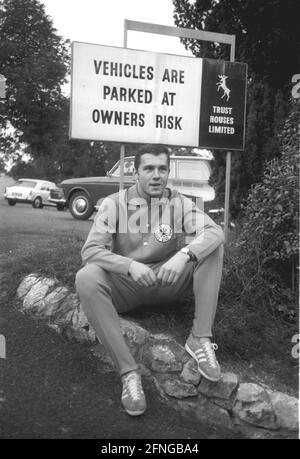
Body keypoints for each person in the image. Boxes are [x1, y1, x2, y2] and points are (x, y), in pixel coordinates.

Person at [75, 144, 224, 417]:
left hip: (167, 281)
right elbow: (91, 252)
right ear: (136, 172)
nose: (156, 175)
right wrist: (128, 265)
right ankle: (129, 374)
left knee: (212, 244)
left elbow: (213, 232)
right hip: (127, 286)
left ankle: (199, 337)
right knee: (86, 276)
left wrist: (185, 254)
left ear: (168, 172)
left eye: (162, 169)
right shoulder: (113, 203)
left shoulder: (179, 202)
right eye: (149, 169)